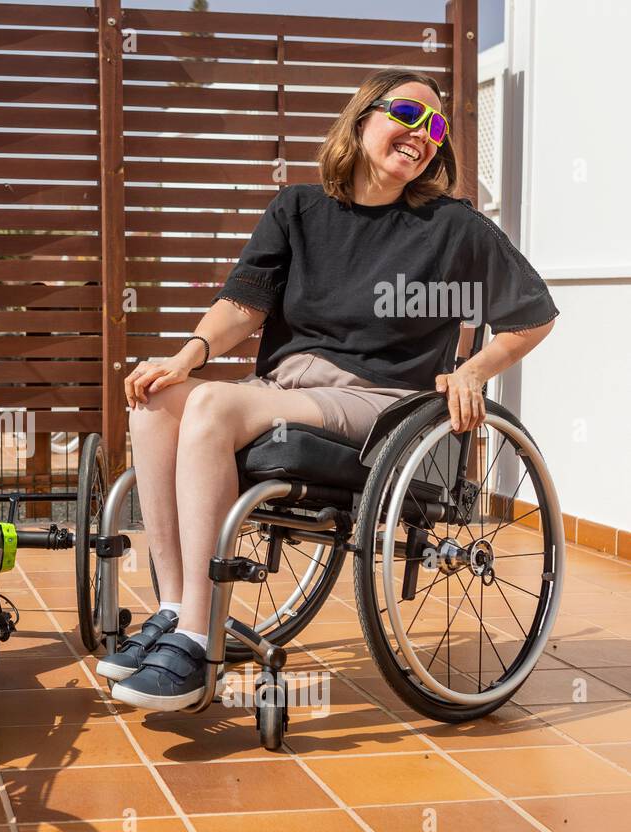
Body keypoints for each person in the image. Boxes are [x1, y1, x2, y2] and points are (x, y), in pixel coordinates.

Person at [103, 68, 559, 711]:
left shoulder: (451, 227)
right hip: (286, 388)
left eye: (436, 127)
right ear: (363, 117)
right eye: (407, 114)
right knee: (155, 400)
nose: (423, 135)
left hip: (381, 405)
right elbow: (243, 305)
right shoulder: (298, 209)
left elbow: (532, 315)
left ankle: (195, 639)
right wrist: (186, 357)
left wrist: (473, 370)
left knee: (212, 402)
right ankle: (177, 608)